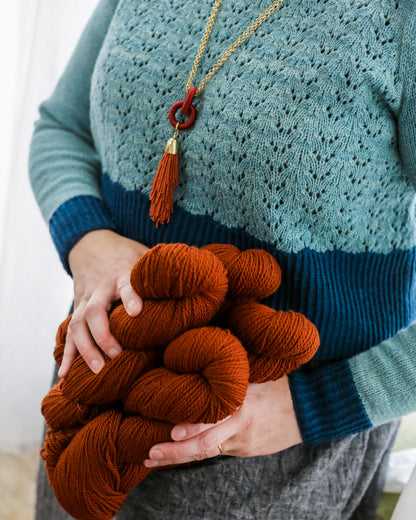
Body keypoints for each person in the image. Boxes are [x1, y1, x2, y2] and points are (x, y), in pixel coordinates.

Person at [29, 0, 416, 518]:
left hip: (277, 446)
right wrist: (89, 241)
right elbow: (60, 127)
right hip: (97, 382)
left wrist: (314, 408)